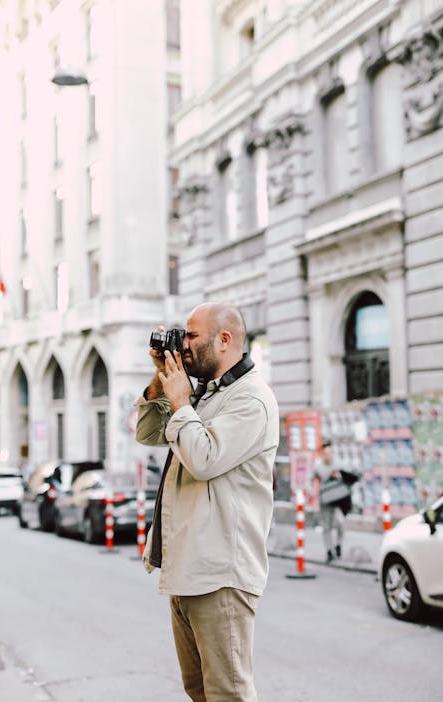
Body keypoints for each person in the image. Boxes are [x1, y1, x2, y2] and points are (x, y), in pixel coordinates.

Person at [135, 301, 279, 702]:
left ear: (224, 340)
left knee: (228, 693)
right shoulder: (206, 395)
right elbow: (147, 434)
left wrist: (181, 404)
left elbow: (203, 459)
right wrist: (161, 380)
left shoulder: (251, 399)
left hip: (221, 573)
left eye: (192, 335)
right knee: (198, 690)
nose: (184, 343)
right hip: (187, 569)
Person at [312, 440, 346, 563]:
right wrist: (313, 494)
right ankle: (329, 551)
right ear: (322, 454)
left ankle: (338, 545)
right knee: (326, 527)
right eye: (326, 453)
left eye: (330, 453)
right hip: (325, 501)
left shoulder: (338, 464)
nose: (329, 455)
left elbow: (346, 479)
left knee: (340, 523)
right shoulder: (317, 466)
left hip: (337, 500)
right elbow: (308, 480)